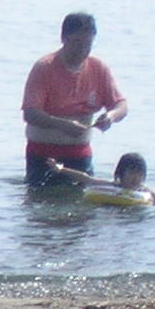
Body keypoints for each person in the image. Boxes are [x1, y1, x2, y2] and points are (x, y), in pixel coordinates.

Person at [22, 12, 127, 188]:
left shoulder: (98, 68)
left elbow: (121, 105)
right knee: (40, 207)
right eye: (77, 42)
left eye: (88, 44)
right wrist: (63, 124)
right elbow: (30, 114)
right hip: (43, 155)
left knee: (83, 210)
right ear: (64, 38)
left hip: (80, 156)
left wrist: (110, 116)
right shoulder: (44, 68)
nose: (83, 50)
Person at [45, 152, 155, 206]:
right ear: (120, 174)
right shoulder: (113, 186)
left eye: (139, 173)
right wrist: (61, 169)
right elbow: (87, 179)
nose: (135, 177)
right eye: (132, 172)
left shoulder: (144, 191)